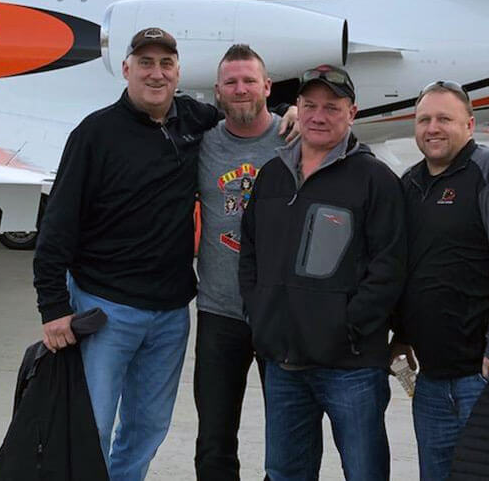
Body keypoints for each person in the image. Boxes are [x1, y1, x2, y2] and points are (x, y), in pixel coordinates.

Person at [33, 27, 219, 481]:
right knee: (93, 424)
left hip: (172, 313)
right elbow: (56, 224)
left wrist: (287, 113)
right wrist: (54, 307)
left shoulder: (195, 120)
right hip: (106, 308)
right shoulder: (94, 134)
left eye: (166, 64)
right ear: (126, 69)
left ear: (178, 72)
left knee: (148, 426)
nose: (156, 74)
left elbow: (248, 118)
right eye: (145, 63)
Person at [239, 65, 407, 481]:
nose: (318, 115)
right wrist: (261, 316)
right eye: (309, 105)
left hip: (350, 367)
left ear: (352, 112)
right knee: (284, 473)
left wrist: (346, 328)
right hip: (283, 364)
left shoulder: (376, 181)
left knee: (364, 472)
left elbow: (390, 268)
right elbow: (251, 256)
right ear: (296, 107)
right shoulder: (273, 175)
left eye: (331, 107)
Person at [391, 80, 489, 480]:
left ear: (470, 125)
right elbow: (409, 268)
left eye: (444, 119)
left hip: (483, 373)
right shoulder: (410, 184)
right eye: (424, 119)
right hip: (432, 379)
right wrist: (401, 335)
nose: (432, 128)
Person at [193, 44, 285, 480]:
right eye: (231, 82)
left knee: (287, 438)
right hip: (219, 312)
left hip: (279, 311)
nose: (241, 89)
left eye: (250, 80)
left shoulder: (295, 138)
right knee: (214, 440)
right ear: (217, 91)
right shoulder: (203, 144)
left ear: (267, 86)